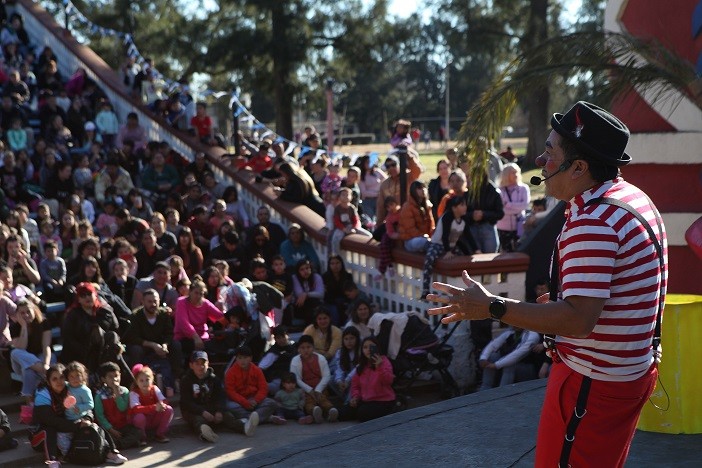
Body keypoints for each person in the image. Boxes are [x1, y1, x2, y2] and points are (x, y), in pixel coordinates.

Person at [428, 101, 667, 467]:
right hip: (623, 376)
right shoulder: (631, 199)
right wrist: (560, 300)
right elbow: (616, 292)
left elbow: (578, 320)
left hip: (593, 384)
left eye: (550, 152)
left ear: (580, 167)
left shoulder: (595, 220)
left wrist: (491, 306)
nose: (540, 160)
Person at [420, 196, 479, 299]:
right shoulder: (447, 217)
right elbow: (445, 235)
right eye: (462, 205)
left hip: (451, 246)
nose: (465, 207)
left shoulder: (464, 219)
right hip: (438, 244)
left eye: (464, 205)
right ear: (454, 208)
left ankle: (467, 286)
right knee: (429, 259)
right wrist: (447, 251)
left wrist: (476, 249)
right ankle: (425, 289)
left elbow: (468, 235)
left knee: (463, 259)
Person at [125, 289, 182, 395]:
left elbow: (169, 333)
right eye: (149, 301)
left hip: (161, 346)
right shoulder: (135, 316)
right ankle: (136, 381)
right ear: (143, 301)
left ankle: (176, 379)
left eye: (155, 301)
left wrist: (165, 345)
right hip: (144, 346)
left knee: (176, 345)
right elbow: (133, 337)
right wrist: (152, 345)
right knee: (135, 350)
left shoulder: (163, 314)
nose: (153, 304)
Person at [180, 351, 247, 442]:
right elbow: (186, 402)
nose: (201, 367)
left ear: (208, 364)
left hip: (211, 407)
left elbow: (221, 396)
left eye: (203, 363)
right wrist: (202, 412)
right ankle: (204, 434)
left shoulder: (214, 379)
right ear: (191, 365)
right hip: (194, 410)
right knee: (198, 420)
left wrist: (219, 411)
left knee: (227, 415)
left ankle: (244, 427)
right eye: (197, 364)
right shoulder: (186, 380)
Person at [224, 345, 282, 428]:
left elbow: (263, 388)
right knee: (229, 406)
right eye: (239, 358)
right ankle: (264, 418)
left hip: (254, 400)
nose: (242, 361)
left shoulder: (257, 370)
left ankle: (249, 420)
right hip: (239, 401)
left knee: (271, 403)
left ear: (250, 358)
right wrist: (244, 402)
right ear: (236, 359)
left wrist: (256, 400)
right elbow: (230, 392)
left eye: (245, 357)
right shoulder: (230, 373)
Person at [340, 336, 396, 422]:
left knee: (363, 413)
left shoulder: (384, 361)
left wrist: (379, 367)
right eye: (365, 347)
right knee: (343, 412)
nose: (368, 350)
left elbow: (388, 381)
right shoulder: (361, 366)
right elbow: (356, 386)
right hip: (366, 400)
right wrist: (355, 397)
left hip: (382, 400)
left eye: (371, 347)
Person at [10, 299, 54, 404]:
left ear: (34, 310)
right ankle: (46, 373)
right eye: (22, 313)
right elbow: (21, 348)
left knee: (28, 370)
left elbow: (46, 346)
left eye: (28, 311)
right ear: (18, 315)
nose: (26, 315)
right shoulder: (15, 327)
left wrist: (46, 365)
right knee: (15, 353)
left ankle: (30, 402)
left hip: (43, 357)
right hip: (20, 363)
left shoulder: (43, 322)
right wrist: (24, 327)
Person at [289, 335, 339, 423]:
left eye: (308, 347)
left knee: (323, 400)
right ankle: (314, 412)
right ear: (299, 349)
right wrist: (309, 390)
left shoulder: (321, 359)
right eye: (303, 348)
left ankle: (331, 411)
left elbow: (326, 376)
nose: (306, 350)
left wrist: (318, 390)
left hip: (321, 389)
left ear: (313, 348)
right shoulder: (295, 361)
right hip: (305, 391)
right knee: (309, 403)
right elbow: (296, 379)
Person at [94, 362, 142, 450]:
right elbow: (100, 416)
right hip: (109, 427)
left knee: (138, 432)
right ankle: (122, 443)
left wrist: (117, 394)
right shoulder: (99, 396)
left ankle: (118, 445)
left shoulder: (124, 391)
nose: (115, 379)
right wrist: (111, 429)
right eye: (110, 377)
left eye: (116, 376)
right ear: (103, 379)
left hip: (123, 425)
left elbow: (122, 408)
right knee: (105, 437)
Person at [173, 277, 224, 359]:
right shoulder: (181, 302)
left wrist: (230, 322)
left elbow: (220, 316)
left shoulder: (206, 303)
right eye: (196, 293)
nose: (199, 296)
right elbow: (183, 323)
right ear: (190, 292)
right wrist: (195, 337)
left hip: (203, 338)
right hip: (184, 338)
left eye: (201, 294)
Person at [478, 326, 540, 391]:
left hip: (527, 368)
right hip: (511, 366)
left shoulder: (532, 334)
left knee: (509, 364)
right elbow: (493, 344)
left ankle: (503, 391)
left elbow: (517, 355)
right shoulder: (510, 331)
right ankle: (485, 388)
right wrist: (483, 358)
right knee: (493, 356)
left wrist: (496, 365)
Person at [128, 364, 174, 444]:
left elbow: (164, 400)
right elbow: (136, 409)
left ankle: (160, 434)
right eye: (141, 381)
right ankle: (142, 437)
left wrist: (162, 405)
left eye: (147, 380)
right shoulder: (133, 393)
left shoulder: (154, 388)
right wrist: (154, 407)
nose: (145, 383)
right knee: (139, 417)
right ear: (136, 382)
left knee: (168, 409)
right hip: (141, 421)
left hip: (153, 418)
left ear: (152, 379)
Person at [375, 151, 422, 225]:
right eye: (388, 166)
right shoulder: (384, 185)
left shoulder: (409, 177)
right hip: (393, 219)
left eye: (393, 165)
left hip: (411, 216)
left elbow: (417, 171)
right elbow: (381, 206)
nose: (391, 168)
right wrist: (378, 223)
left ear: (399, 165)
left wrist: (409, 157)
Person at [496, 163, 530, 252]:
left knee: (520, 250)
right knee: (506, 252)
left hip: (519, 226)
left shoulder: (524, 188)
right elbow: (501, 210)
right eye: (512, 173)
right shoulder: (499, 191)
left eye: (516, 172)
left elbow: (525, 205)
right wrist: (516, 209)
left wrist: (508, 205)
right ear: (506, 174)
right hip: (503, 227)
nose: (516, 175)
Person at [329, 187, 372, 255]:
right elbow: (336, 221)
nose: (345, 197)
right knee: (335, 239)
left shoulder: (351, 208)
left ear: (351, 197)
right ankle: (336, 254)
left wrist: (354, 227)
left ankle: (369, 252)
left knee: (368, 235)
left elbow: (356, 219)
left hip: (352, 226)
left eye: (347, 195)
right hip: (341, 228)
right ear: (339, 197)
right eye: (343, 195)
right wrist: (344, 229)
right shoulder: (337, 208)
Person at [258, 326, 297, 395]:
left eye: (283, 337)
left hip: (294, 377)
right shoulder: (273, 352)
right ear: (275, 339)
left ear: (287, 335)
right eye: (278, 338)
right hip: (278, 379)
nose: (281, 340)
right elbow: (260, 368)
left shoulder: (294, 348)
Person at [398, 180, 435, 253]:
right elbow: (410, 229)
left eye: (424, 187)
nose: (423, 190)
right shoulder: (407, 207)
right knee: (422, 242)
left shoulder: (427, 206)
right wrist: (423, 236)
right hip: (411, 240)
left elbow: (431, 225)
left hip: (425, 237)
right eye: (419, 188)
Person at [329, 326, 360, 402]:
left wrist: (347, 380)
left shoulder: (360, 351)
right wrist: (339, 381)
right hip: (345, 377)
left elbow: (358, 368)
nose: (349, 341)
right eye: (346, 339)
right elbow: (339, 368)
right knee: (330, 380)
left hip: (357, 377)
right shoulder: (340, 352)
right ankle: (346, 399)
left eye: (352, 338)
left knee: (354, 383)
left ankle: (348, 402)